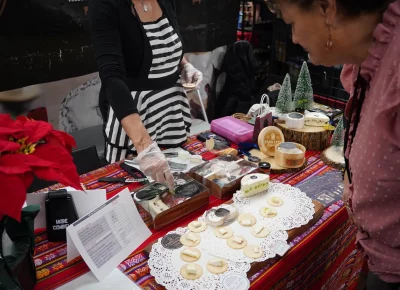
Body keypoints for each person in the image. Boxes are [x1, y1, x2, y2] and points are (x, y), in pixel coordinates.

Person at [265, 0, 400, 288]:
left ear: (327, 9)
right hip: (380, 259)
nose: (294, 38)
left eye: (291, 23)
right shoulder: (370, 56)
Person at [89, 0, 203, 190]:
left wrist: (183, 65)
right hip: (134, 125)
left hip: (171, 117)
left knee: (178, 192)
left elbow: (167, 42)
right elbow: (112, 76)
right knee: (138, 195)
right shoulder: (104, 5)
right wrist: (144, 145)